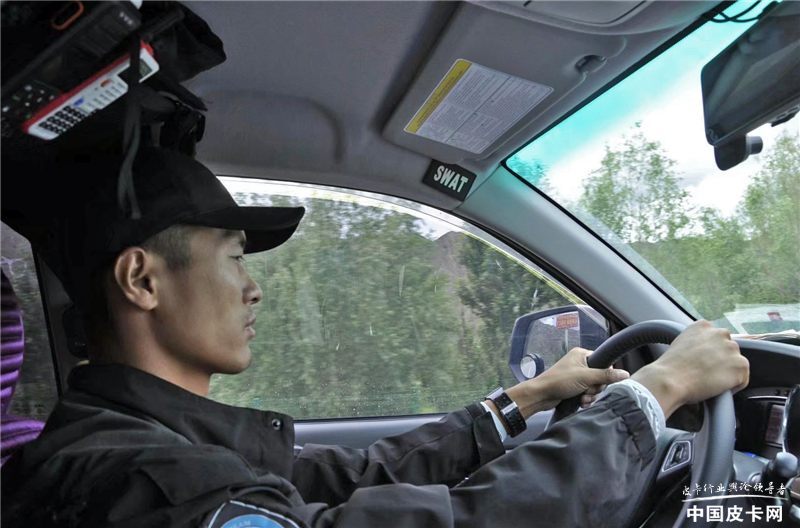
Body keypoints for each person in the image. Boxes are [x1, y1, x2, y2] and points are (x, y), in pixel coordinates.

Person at [0, 148, 749, 528]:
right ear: (142, 280)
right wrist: (655, 392)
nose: (254, 289)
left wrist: (525, 399)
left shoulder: (160, 439)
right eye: (233, 259)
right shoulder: (137, 480)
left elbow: (346, 478)